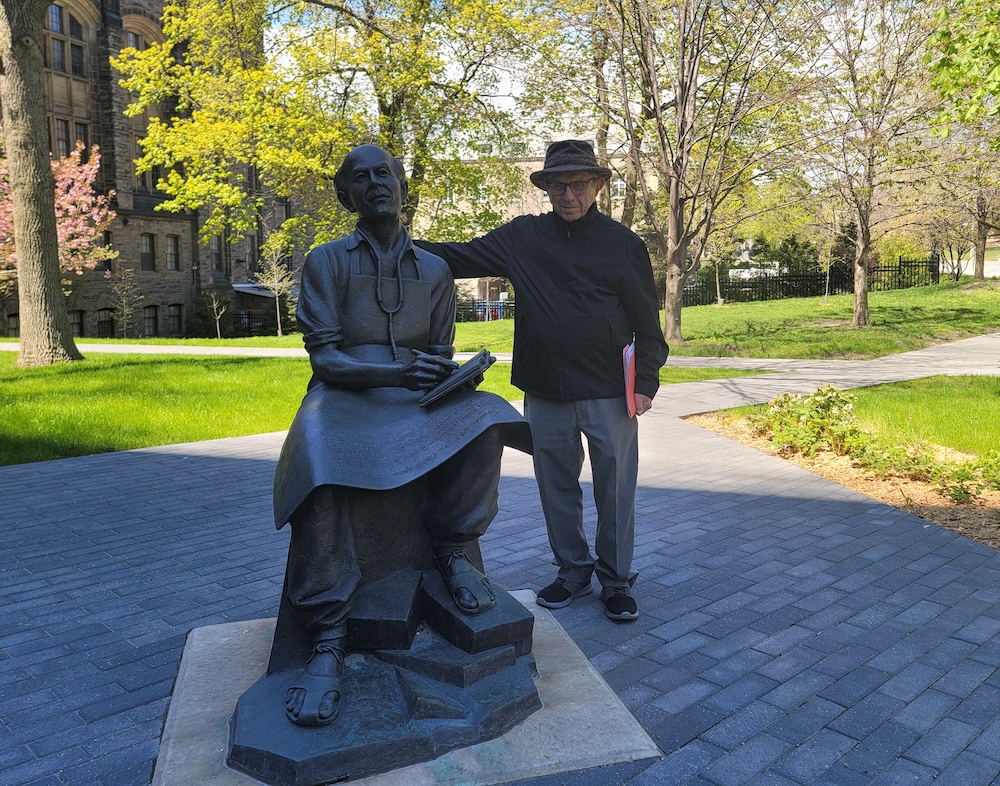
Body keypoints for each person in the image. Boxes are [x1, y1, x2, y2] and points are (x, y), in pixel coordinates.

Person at [272, 144, 530, 727]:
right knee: (320, 457)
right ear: (347, 197)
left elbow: (439, 354)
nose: (375, 183)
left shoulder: (436, 270)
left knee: (487, 417)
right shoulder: (326, 261)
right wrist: (393, 372)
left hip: (416, 396)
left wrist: (449, 374)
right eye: (360, 178)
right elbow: (326, 362)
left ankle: (453, 550)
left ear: (402, 184)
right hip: (344, 396)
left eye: (384, 173)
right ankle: (329, 637)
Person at [416, 139, 668, 622]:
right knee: (556, 486)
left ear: (596, 186)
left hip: (610, 392)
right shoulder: (523, 237)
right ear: (545, 188)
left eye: (577, 184)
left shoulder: (622, 245)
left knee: (615, 488)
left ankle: (615, 579)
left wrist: (645, 383)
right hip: (545, 391)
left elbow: (646, 324)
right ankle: (572, 572)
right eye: (557, 184)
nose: (567, 194)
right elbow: (456, 258)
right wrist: (393, 241)